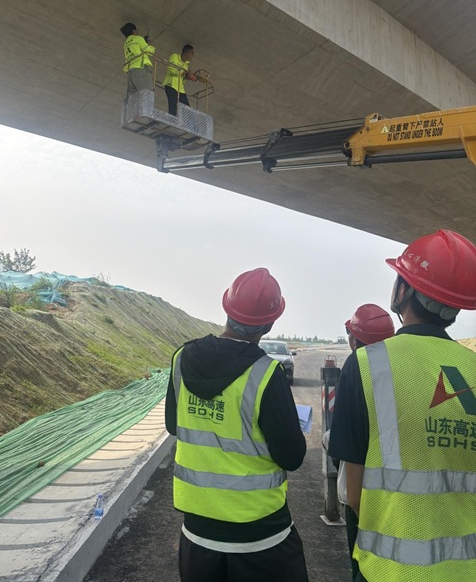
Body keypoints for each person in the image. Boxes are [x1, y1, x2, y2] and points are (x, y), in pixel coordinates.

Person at [329, 230, 476, 581]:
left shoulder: (366, 364)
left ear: (402, 292)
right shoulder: (471, 367)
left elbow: (353, 492)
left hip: (387, 570)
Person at [165, 268, 308, 582]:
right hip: (261, 537)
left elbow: (174, 426)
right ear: (269, 324)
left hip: (198, 533)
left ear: (227, 308)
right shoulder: (266, 374)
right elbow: (292, 456)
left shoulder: (182, 359)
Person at [325, 304, 394, 581]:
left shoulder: (356, 367)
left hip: (364, 494)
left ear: (354, 340)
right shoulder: (400, 369)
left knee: (362, 563)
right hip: (402, 495)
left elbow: (342, 444)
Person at [120, 22, 155, 97]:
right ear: (133, 31)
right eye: (137, 30)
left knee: (133, 98)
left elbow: (136, 50)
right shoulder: (138, 38)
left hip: (131, 71)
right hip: (140, 68)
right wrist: (149, 45)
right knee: (147, 94)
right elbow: (149, 51)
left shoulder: (126, 44)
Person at [163, 44, 197, 115]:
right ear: (187, 53)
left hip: (180, 89)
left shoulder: (186, 64)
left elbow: (182, 81)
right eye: (192, 53)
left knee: (188, 110)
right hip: (170, 85)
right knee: (173, 108)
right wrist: (184, 72)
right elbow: (171, 70)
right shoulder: (174, 56)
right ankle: (172, 120)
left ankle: (185, 122)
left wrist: (187, 77)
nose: (193, 55)